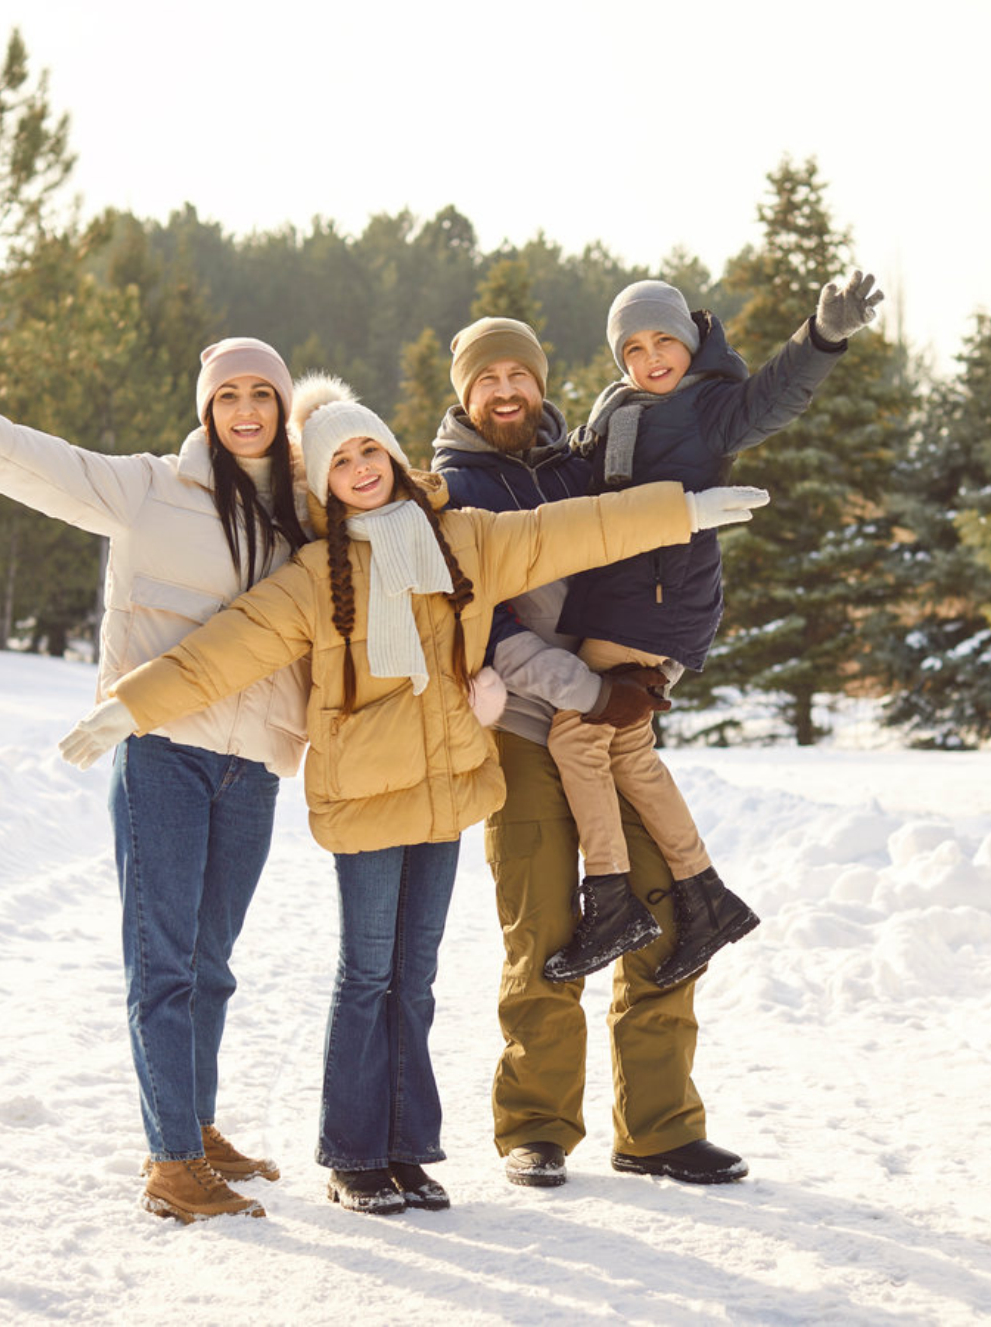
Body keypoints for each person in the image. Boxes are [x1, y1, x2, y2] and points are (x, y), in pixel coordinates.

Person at [56, 376, 767, 1215]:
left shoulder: (463, 541)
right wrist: (128, 707)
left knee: (416, 977)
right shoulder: (315, 576)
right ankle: (356, 1155)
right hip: (363, 801)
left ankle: (406, 1148)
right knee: (367, 972)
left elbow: (573, 529)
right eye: (340, 460)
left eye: (369, 450)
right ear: (321, 483)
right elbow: (224, 652)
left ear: (392, 456)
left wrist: (682, 511)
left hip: (448, 789)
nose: (359, 467)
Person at [0, 336, 310, 1224]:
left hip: (255, 768)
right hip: (163, 749)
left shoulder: (303, 515)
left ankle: (195, 1128)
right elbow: (25, 459)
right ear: (206, 407)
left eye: (262, 395)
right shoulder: (150, 488)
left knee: (213, 965)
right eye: (229, 394)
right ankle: (170, 1161)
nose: (246, 409)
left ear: (284, 410)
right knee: (162, 960)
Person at [428, 317, 733, 1188]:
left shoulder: (583, 464)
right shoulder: (450, 491)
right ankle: (537, 1126)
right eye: (489, 378)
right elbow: (488, 633)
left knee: (667, 910)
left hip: (610, 724)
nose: (507, 390)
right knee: (548, 932)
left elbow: (656, 544)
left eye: (521, 373)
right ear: (464, 392)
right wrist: (595, 691)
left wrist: (651, 662)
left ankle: (660, 1128)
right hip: (523, 731)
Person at [542, 271, 882, 990]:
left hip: (653, 601)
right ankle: (705, 898)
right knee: (627, 753)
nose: (651, 356)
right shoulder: (618, 407)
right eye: (633, 347)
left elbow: (774, 398)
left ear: (691, 343)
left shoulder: (708, 406)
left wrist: (820, 337)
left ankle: (609, 900)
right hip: (632, 599)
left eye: (665, 339)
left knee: (576, 736)